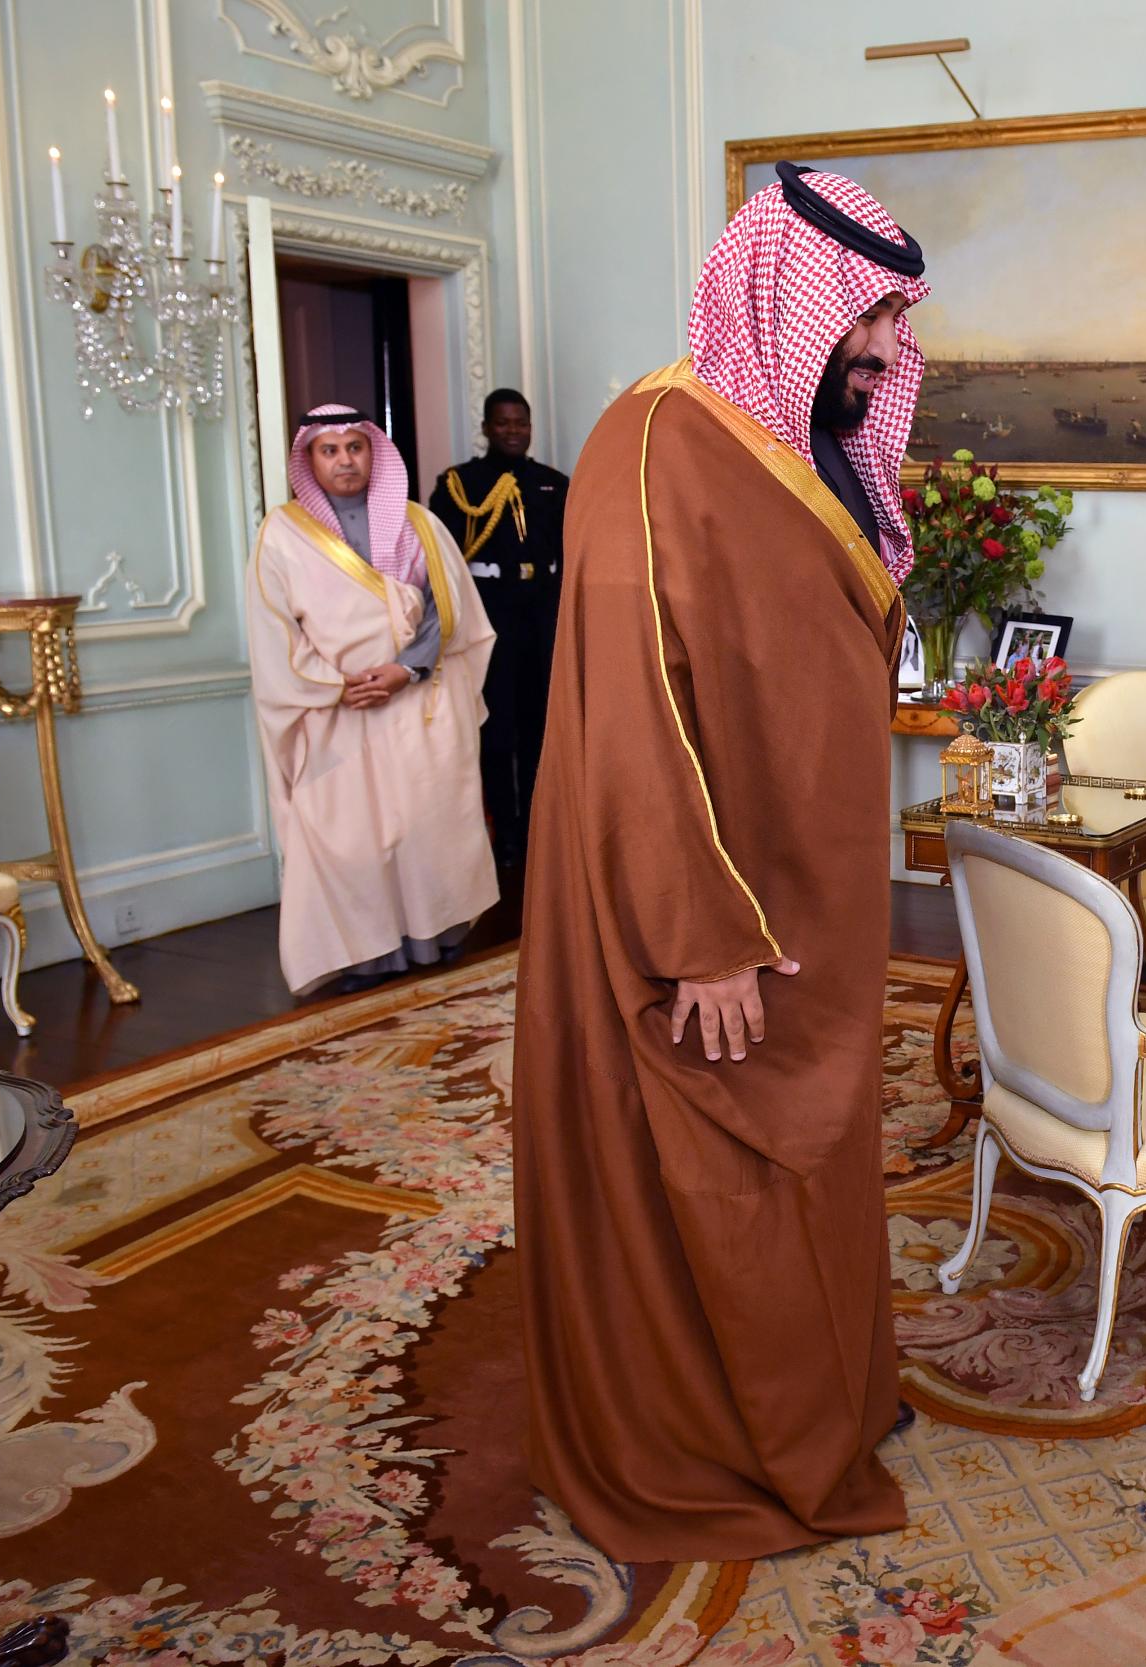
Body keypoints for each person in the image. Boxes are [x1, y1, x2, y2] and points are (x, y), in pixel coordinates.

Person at [513, 163, 929, 1562]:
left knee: (824, 1147)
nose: (881, 346)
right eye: (862, 317)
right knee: (723, 1164)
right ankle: (725, 1433)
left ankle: (832, 1393)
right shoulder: (652, 438)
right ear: (782, 297)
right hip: (713, 902)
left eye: (890, 321)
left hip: (816, 879)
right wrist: (700, 928)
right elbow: (632, 699)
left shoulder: (802, 446)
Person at [246, 406, 499, 996]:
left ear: (373, 452)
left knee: (422, 827)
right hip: (337, 711)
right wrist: (339, 686)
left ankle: (430, 940)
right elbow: (275, 630)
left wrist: (404, 670)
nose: (344, 461)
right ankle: (365, 956)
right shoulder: (281, 533)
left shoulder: (419, 524)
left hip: (414, 700)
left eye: (354, 447)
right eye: (329, 451)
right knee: (355, 838)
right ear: (308, 461)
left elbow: (449, 608)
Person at [427, 388, 569, 866]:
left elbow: (568, 557)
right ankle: (505, 833)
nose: (514, 431)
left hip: (540, 615)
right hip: (488, 615)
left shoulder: (554, 483)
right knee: (498, 729)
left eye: (521, 422)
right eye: (503, 423)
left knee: (539, 728)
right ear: (486, 427)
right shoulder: (458, 485)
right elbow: (440, 562)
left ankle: (537, 825)